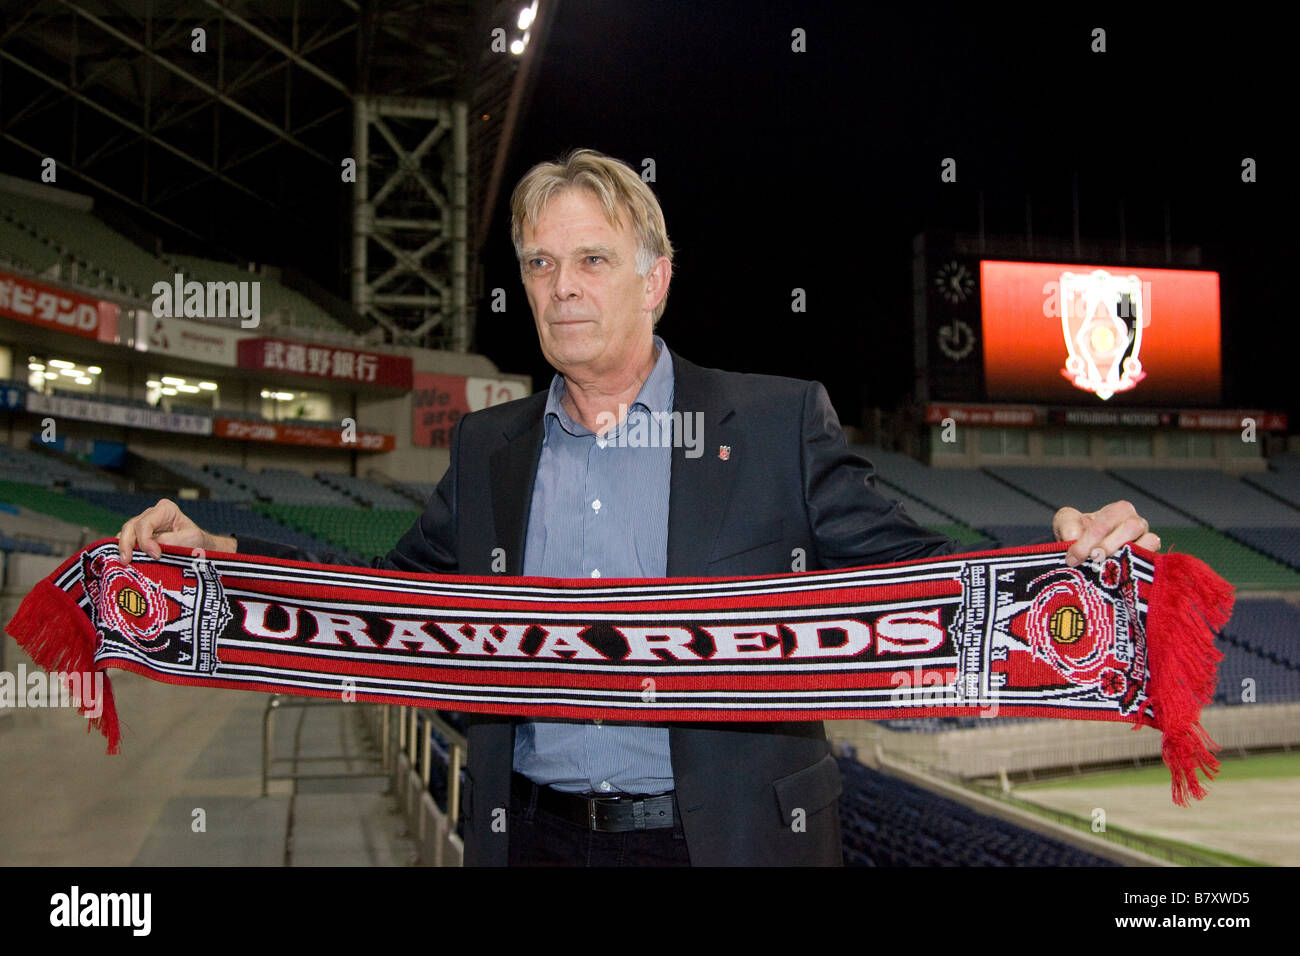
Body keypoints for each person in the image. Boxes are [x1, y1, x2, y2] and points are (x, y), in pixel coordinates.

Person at [118, 148, 1161, 867]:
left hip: (722, 843)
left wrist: (1059, 565)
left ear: (656, 280)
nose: (560, 286)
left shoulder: (776, 419)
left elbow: (907, 578)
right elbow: (391, 608)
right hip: (528, 835)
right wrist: (224, 558)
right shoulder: (488, 446)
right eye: (538, 263)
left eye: (591, 260)